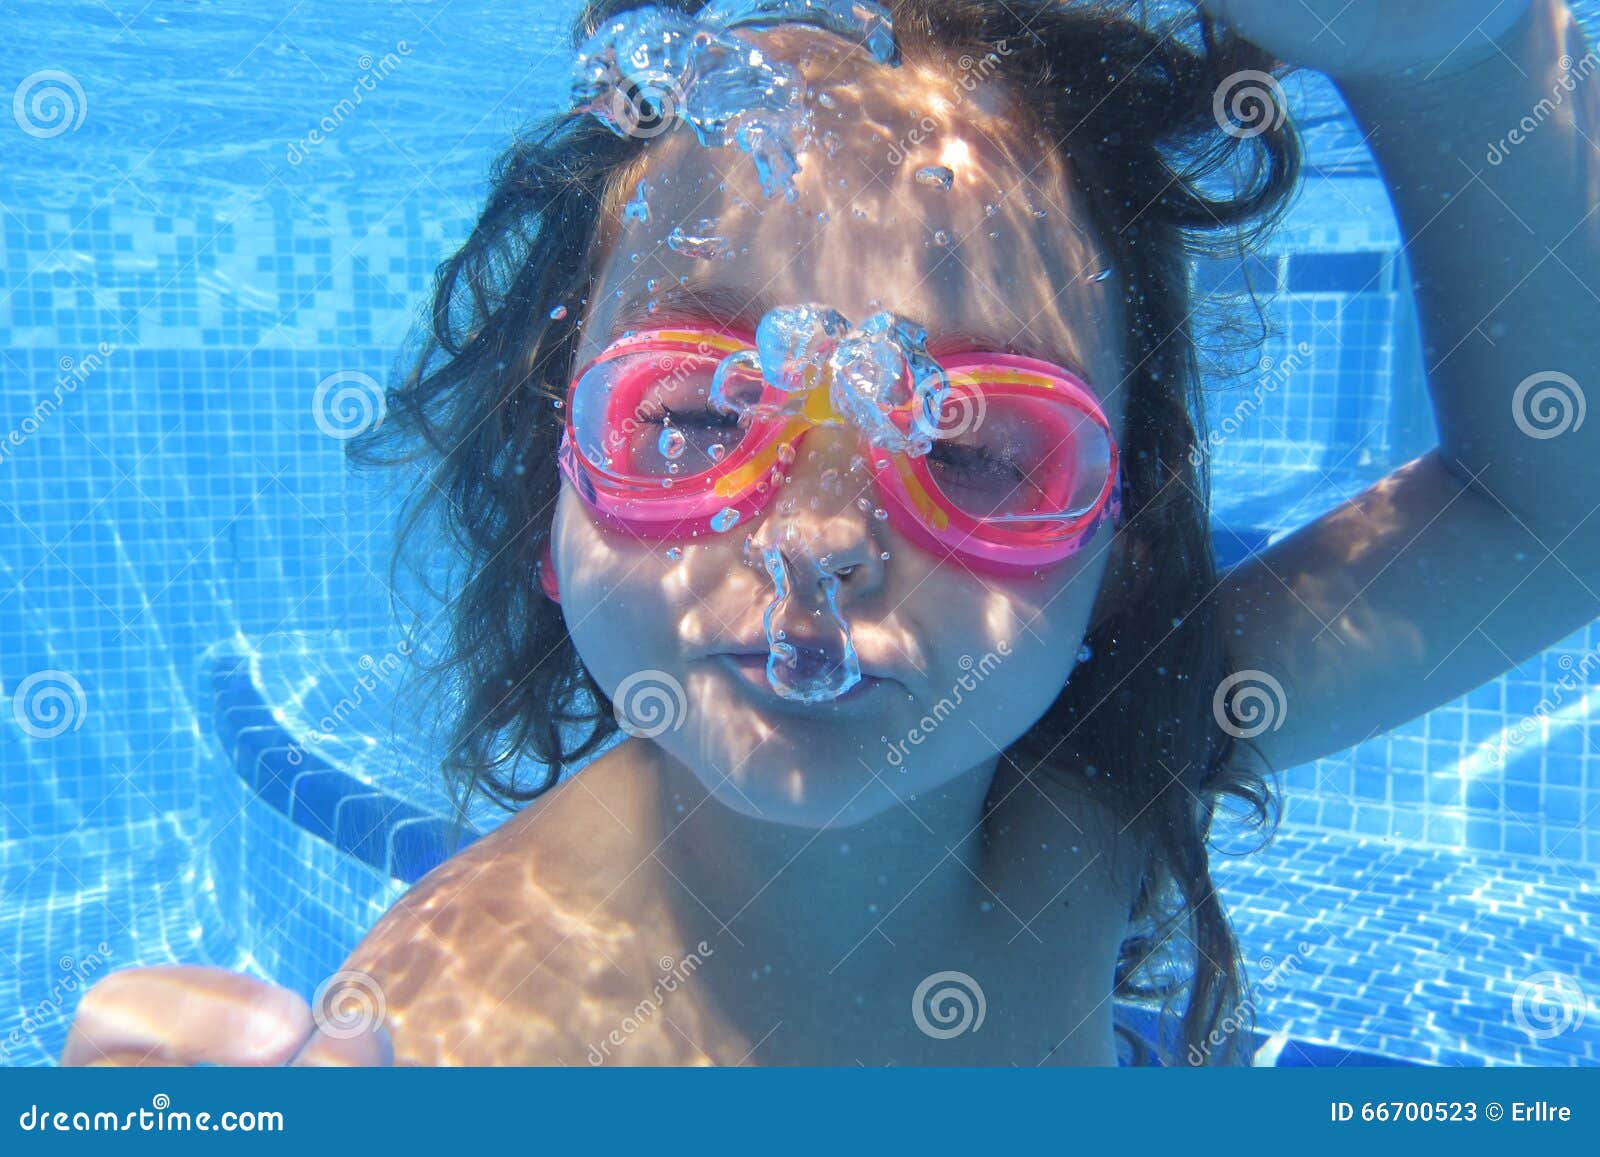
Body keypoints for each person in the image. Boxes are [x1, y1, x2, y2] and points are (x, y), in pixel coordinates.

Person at [63, 0, 1598, 1066]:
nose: (814, 535)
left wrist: (1467, 55)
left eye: (978, 445)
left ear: (1114, 545)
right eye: (692, 418)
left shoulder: (1094, 772)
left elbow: (1556, 516)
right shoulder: (467, 1032)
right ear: (556, 499)